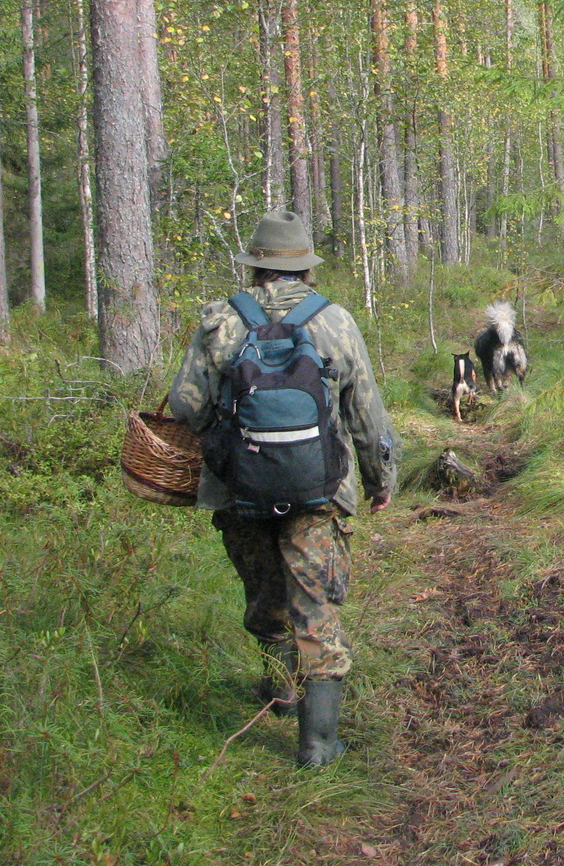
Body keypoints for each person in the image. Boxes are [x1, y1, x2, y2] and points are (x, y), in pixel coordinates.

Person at [168, 210, 396, 768]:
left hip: (237, 493)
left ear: (256, 266)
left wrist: (232, 445)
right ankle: (318, 745)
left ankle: (279, 694)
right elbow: (366, 417)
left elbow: (186, 405)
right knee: (313, 606)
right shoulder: (336, 322)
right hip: (318, 493)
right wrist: (379, 480)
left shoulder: (221, 320)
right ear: (305, 268)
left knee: (265, 596)